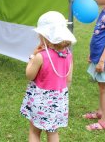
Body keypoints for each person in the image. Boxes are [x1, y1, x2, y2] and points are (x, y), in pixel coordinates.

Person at [20, 11, 77, 141]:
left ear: (44, 36)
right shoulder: (68, 54)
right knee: (53, 133)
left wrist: (32, 56)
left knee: (34, 131)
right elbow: (68, 80)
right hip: (59, 98)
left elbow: (29, 75)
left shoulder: (41, 56)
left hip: (41, 100)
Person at [84, 0, 105, 131]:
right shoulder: (104, 11)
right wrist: (92, 55)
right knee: (102, 87)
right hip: (98, 57)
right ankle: (101, 112)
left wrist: (101, 60)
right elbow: (98, 34)